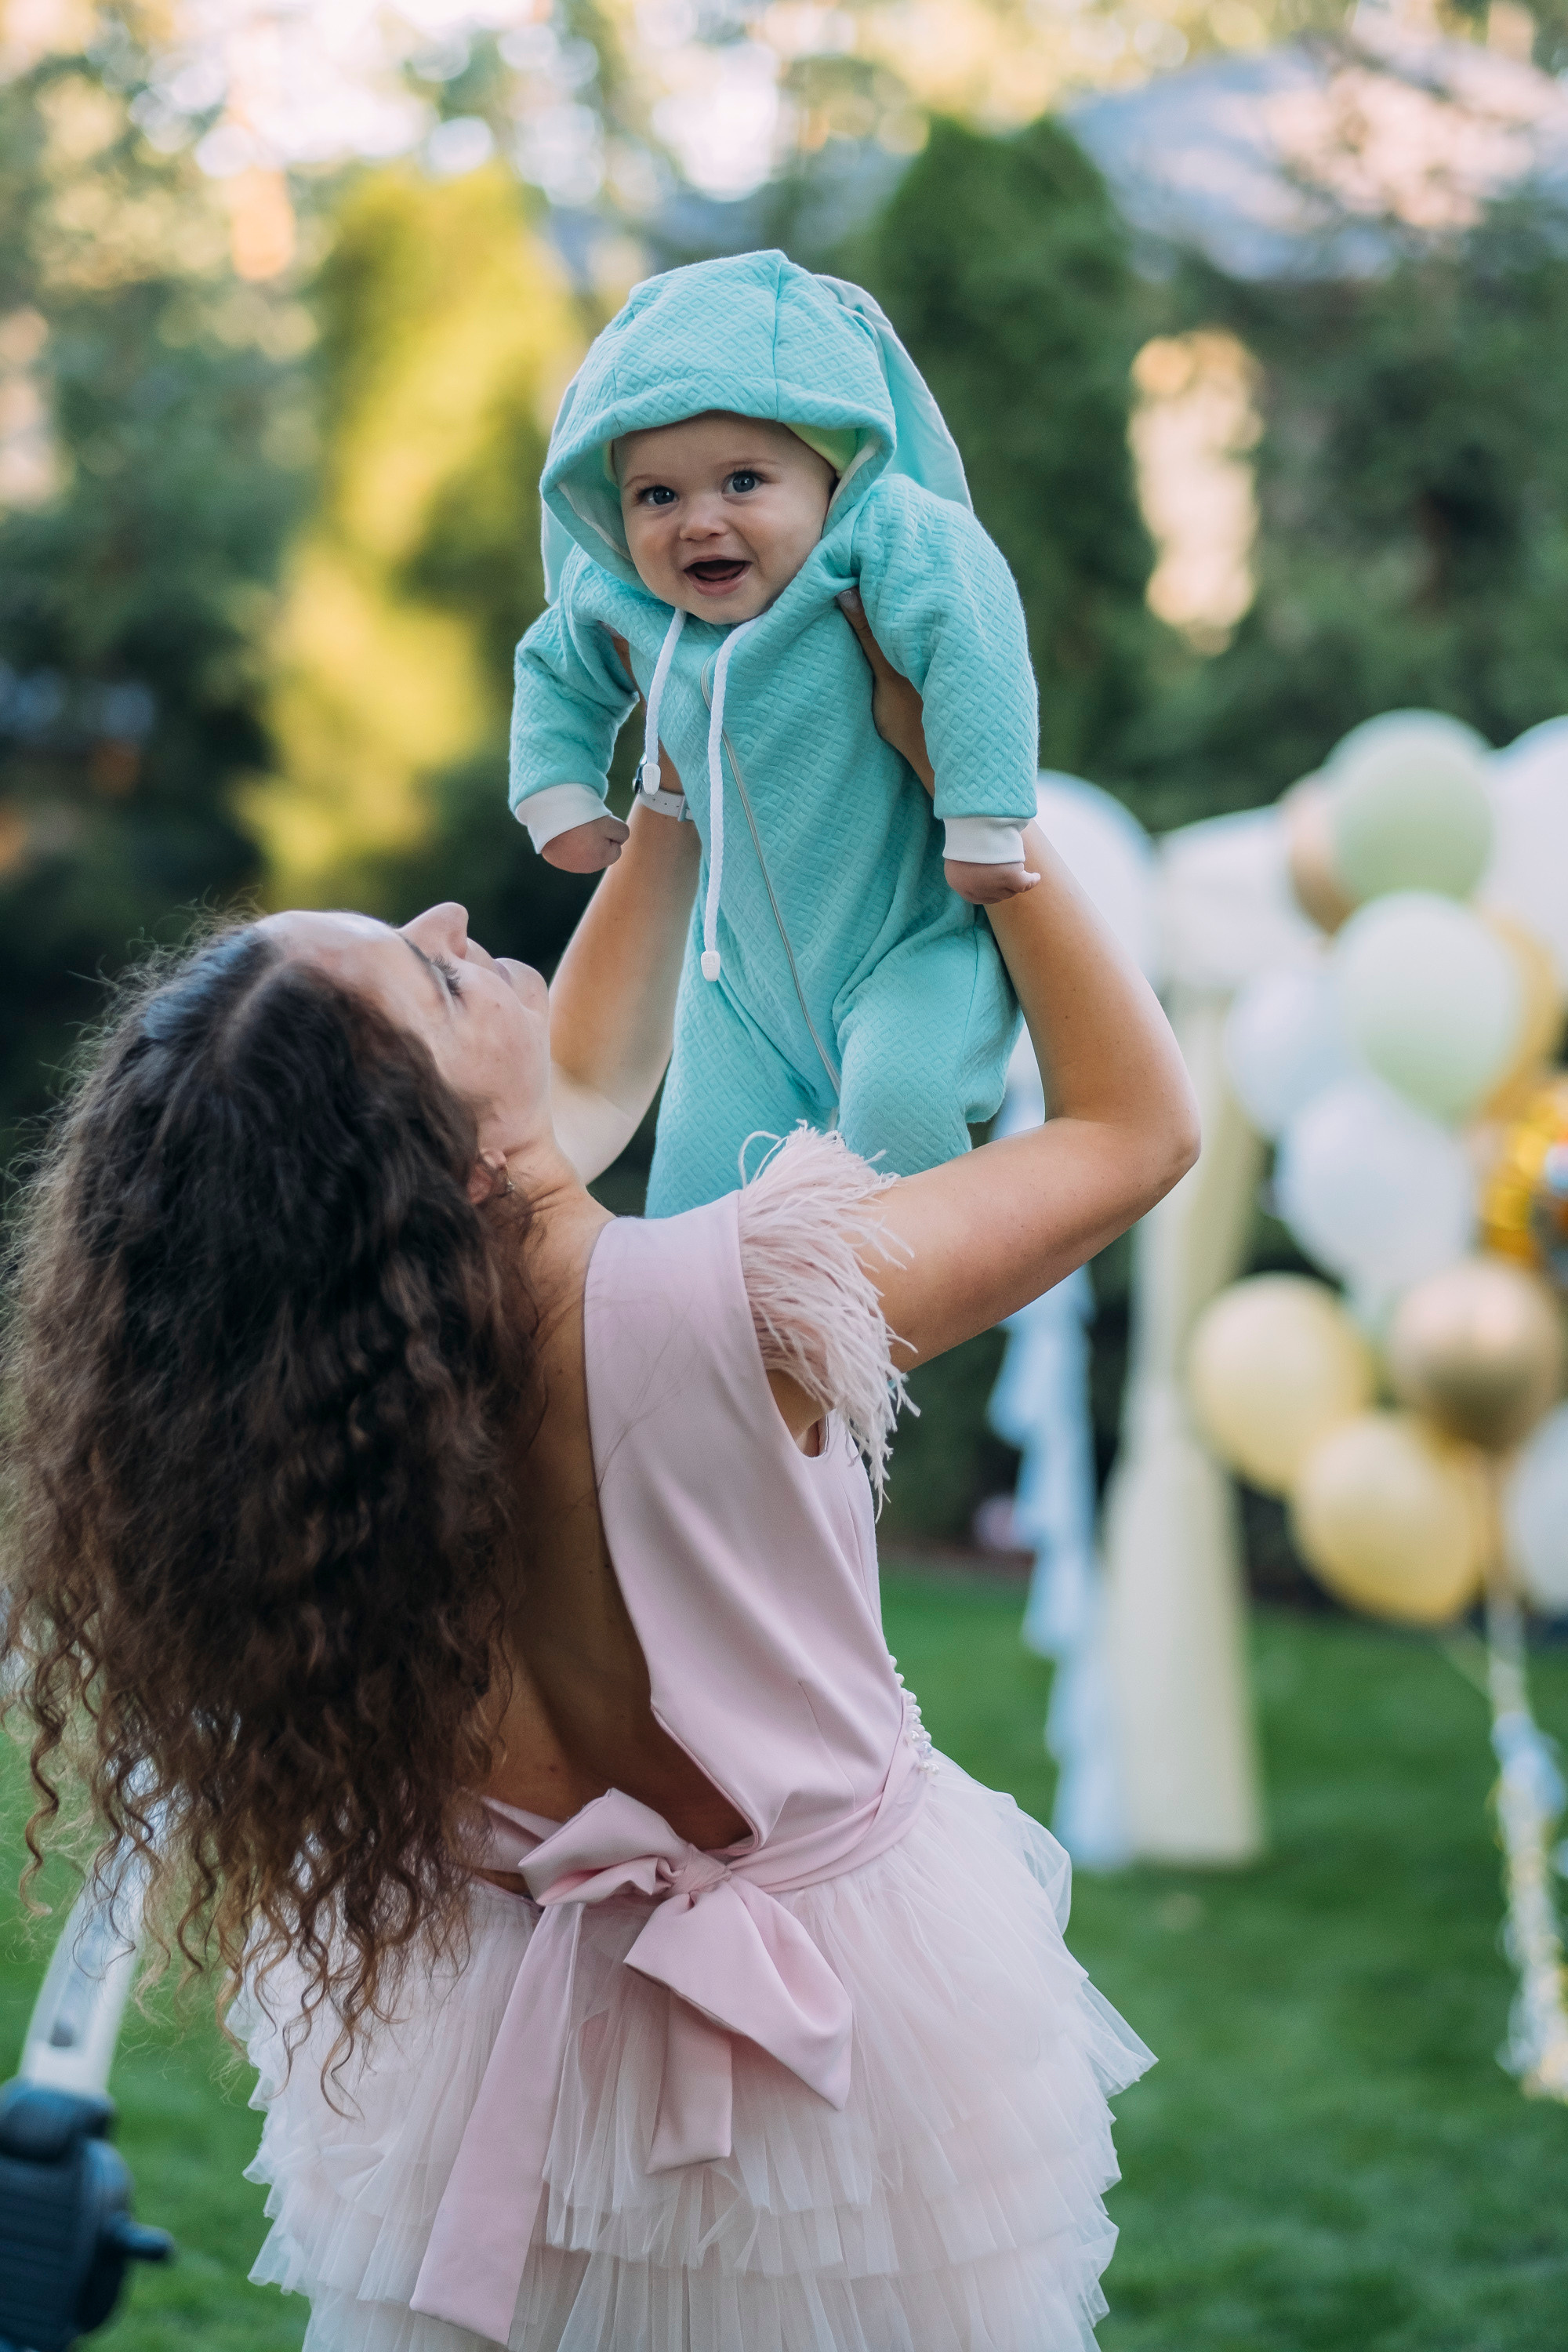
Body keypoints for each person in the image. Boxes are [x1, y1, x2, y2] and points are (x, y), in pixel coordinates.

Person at [2, 609, 1198, 2352]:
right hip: (828, 2036)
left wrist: (678, 802)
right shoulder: (754, 1303)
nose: (453, 921)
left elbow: (569, 1091)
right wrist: (982, 824)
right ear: (450, 1163)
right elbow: (1131, 1132)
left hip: (503, 2047)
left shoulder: (341, 1422)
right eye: (422, 972)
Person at [510, 250, 1043, 1215]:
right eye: (654, 496)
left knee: (899, 1109)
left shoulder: (872, 547)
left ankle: (885, 1330)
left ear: (832, 476)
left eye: (743, 481)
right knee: (694, 1201)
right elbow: (553, 663)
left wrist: (983, 819)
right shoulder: (627, 600)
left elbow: (974, 633)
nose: (697, 523)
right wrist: (559, 794)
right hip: (734, 983)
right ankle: (736, 1355)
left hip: (912, 946)